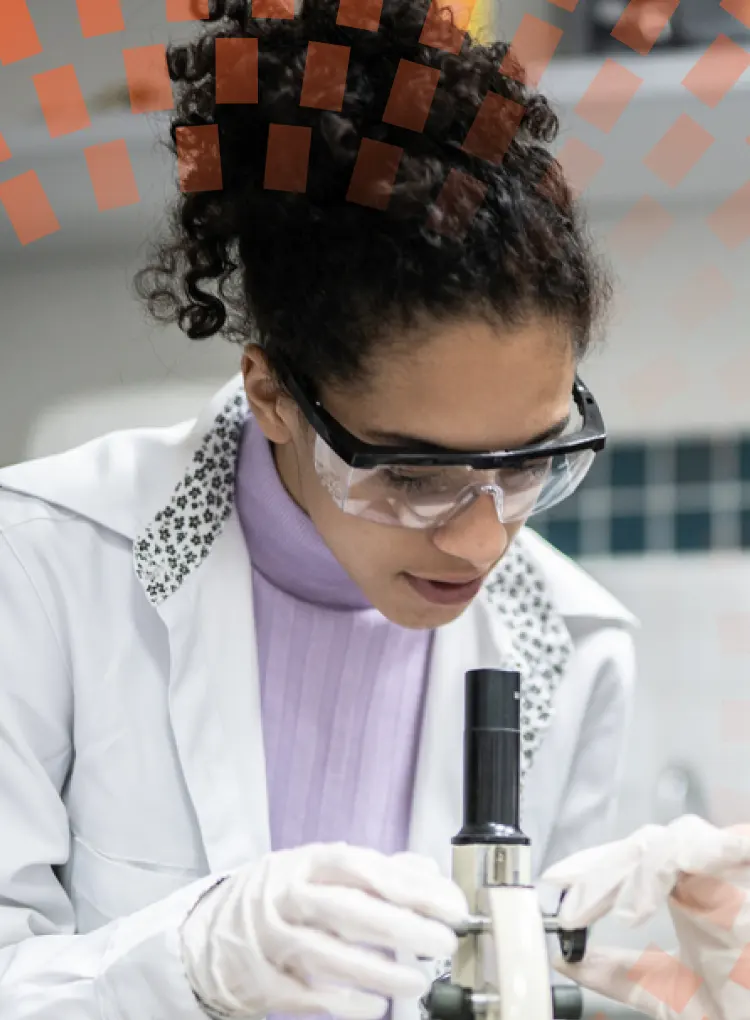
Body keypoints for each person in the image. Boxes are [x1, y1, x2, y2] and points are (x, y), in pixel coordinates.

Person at [0, 1, 738, 1018]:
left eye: (530, 461)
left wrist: (695, 988)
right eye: (415, 476)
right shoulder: (40, 568)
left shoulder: (572, 647)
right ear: (271, 396)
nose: (482, 538)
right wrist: (186, 962)